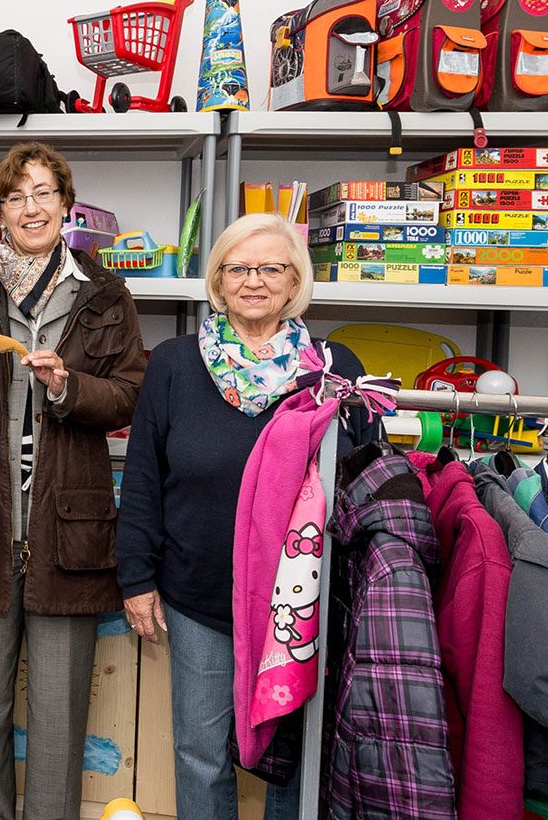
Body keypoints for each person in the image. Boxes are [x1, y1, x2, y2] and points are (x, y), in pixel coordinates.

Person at [116, 212, 381, 819]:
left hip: (303, 598)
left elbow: (364, 479)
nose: (254, 281)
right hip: (198, 591)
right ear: (217, 279)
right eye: (238, 267)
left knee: (297, 753)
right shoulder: (176, 364)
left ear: (295, 283)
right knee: (201, 752)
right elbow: (144, 478)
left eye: (271, 268)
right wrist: (136, 578)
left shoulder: (334, 367)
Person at [0, 141, 145, 820]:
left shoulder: (105, 293)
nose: (32, 207)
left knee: (57, 722)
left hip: (66, 537)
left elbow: (130, 395)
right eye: (16, 196)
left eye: (45, 192)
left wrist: (68, 386)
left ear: (65, 204)